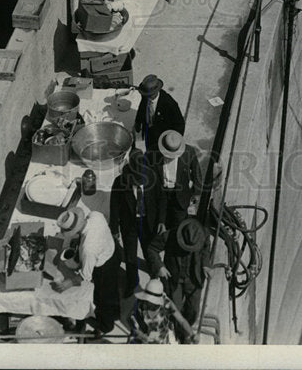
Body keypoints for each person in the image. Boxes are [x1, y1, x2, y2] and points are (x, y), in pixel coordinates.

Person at [109, 148, 167, 297]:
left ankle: (155, 275)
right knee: (130, 255)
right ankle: (132, 282)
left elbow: (162, 200)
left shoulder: (153, 177)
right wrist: (114, 229)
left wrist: (161, 221)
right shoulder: (120, 182)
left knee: (150, 251)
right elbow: (114, 206)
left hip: (149, 223)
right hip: (129, 224)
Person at [54, 207, 120, 336]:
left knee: (103, 297)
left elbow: (86, 276)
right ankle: (116, 312)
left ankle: (105, 326)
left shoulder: (88, 248)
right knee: (113, 289)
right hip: (113, 250)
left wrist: (70, 283)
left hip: (104, 267)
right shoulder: (95, 215)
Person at [161, 218, 211, 342]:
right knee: (175, 309)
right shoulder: (169, 235)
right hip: (175, 278)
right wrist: (159, 267)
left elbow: (206, 249)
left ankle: (185, 329)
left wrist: (205, 264)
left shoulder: (204, 234)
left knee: (193, 310)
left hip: (194, 278)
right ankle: (182, 335)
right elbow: (152, 249)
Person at [156, 130, 204, 228]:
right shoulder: (155, 154)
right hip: (161, 195)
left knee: (178, 226)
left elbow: (197, 174)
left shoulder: (188, 152)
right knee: (160, 225)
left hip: (181, 196)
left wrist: (196, 196)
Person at [130, 277, 194, 344]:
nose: (150, 303)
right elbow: (130, 320)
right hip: (146, 336)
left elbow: (181, 320)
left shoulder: (166, 303)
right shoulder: (140, 304)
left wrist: (192, 334)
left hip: (163, 336)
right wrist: (141, 335)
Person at [134, 74, 186, 151]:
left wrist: (173, 141)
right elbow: (142, 108)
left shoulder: (169, 103)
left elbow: (180, 124)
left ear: (156, 91)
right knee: (149, 151)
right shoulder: (146, 97)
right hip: (149, 133)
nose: (146, 96)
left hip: (163, 137)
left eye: (148, 95)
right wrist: (138, 122)